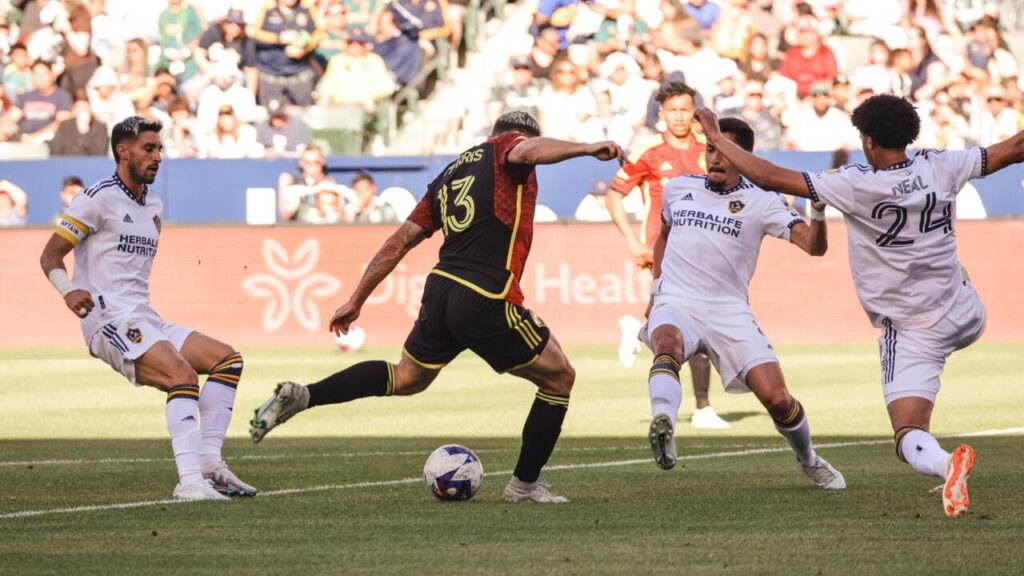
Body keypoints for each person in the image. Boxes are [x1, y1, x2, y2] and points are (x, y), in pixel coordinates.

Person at [249, 110, 626, 504]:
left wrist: (356, 299)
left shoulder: (449, 175)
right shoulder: (508, 149)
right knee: (559, 378)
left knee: (408, 377)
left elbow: (399, 241)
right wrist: (586, 148)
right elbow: (527, 150)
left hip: (442, 288)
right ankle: (523, 486)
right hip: (485, 293)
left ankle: (305, 395)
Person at [694, 94, 1024, 517]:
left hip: (910, 330)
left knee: (908, 433)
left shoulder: (854, 184)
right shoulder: (943, 164)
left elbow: (768, 176)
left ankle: (946, 465)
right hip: (965, 311)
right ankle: (951, 277)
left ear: (868, 141)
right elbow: (1015, 148)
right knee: (952, 270)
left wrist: (715, 136)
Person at [37, 116, 255, 501]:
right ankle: (190, 482)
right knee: (181, 375)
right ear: (123, 151)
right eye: (149, 149)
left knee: (227, 360)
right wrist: (68, 291)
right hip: (107, 319)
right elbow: (50, 255)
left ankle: (209, 463)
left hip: (144, 316)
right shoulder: (96, 199)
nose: (158, 157)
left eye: (160, 149)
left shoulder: (153, 204)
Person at [643, 116, 844, 491]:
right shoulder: (679, 188)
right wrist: (655, 292)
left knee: (777, 399)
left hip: (728, 310)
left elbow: (814, 247)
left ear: (744, 157)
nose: (715, 158)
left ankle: (809, 459)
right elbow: (663, 237)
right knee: (666, 344)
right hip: (677, 301)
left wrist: (818, 211)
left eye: (725, 151)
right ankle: (664, 423)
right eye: (710, 149)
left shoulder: (763, 200)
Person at [606, 81, 729, 430]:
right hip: (665, 250)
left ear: (695, 113)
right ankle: (703, 408)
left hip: (704, 247)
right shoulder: (648, 151)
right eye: (672, 110)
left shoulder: (709, 149)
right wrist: (633, 242)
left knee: (686, 323)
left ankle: (639, 329)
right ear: (661, 113)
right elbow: (613, 197)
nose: (679, 117)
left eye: (685, 110)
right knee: (696, 320)